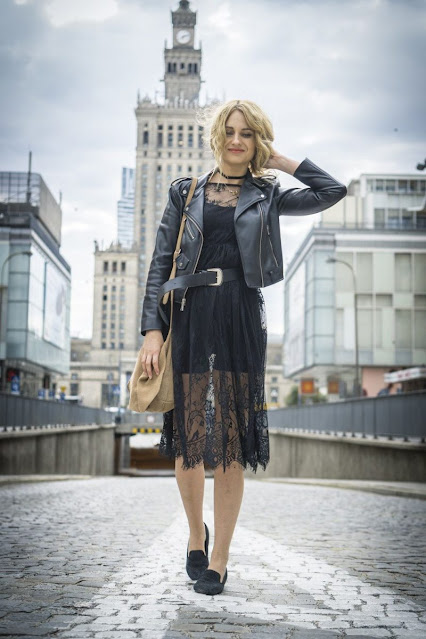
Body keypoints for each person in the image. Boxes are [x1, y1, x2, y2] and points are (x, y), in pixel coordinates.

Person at [139, 98, 347, 595]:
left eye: (247, 133)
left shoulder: (266, 192)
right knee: (190, 440)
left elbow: (331, 191)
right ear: (216, 136)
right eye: (229, 131)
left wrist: (278, 161)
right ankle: (196, 533)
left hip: (238, 316)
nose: (236, 140)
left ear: (258, 140)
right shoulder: (184, 192)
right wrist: (152, 329)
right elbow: (160, 260)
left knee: (229, 440)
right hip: (188, 313)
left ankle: (221, 557)